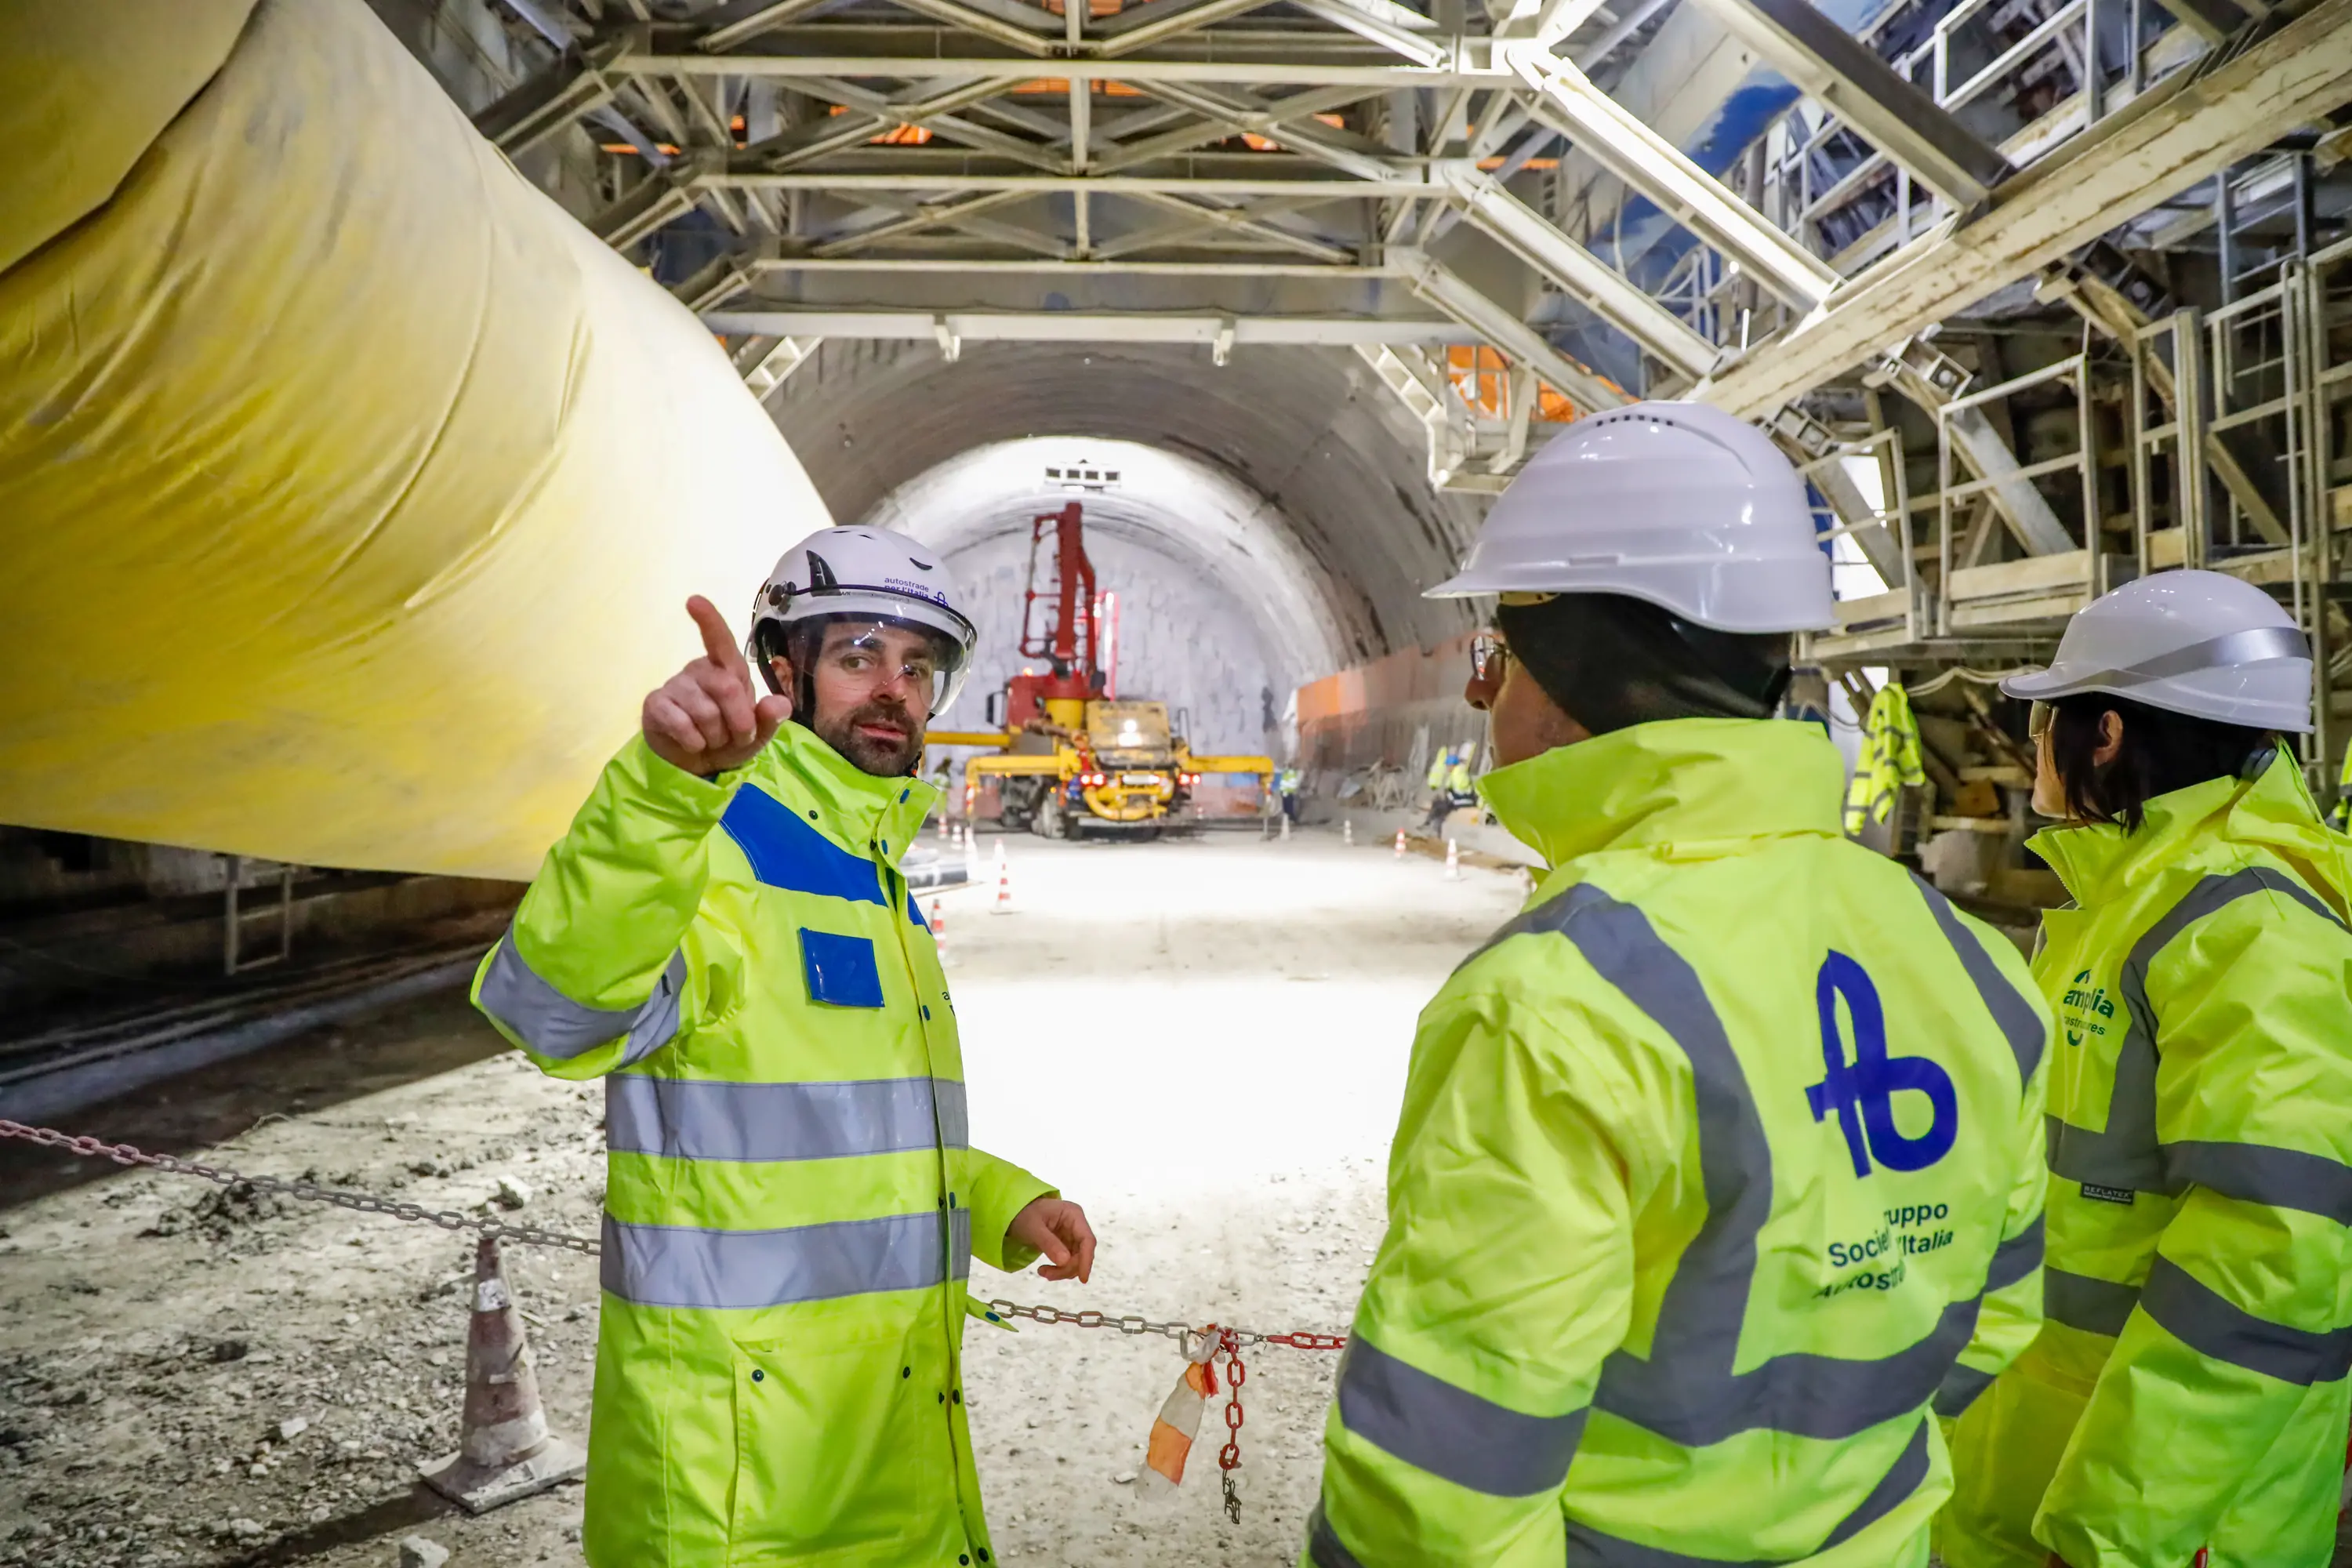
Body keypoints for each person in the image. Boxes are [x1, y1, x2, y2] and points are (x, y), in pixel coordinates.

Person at [1306, 401, 2053, 1567]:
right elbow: (1996, 1314)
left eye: (1493, 660)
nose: (1482, 698)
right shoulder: (1973, 962)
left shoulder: (1557, 1004)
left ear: (1568, 679)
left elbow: (1444, 1480)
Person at [472, 527, 1097, 1567]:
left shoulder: (872, 871)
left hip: (882, 1436)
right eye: (858, 656)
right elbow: (550, 1015)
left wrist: (996, 1201)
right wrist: (666, 790)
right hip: (741, 1479)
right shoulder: (710, 840)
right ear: (782, 671)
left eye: (917, 665)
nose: (892, 689)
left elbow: (832, 1121)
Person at [1942, 570, 2352, 1568]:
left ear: (2109, 734)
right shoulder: (2135, 899)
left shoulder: (2248, 924)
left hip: (2163, 1506)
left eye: (2048, 719)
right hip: (2052, 1444)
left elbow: (2273, 1255)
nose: (2034, 746)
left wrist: (2118, 1528)